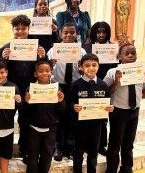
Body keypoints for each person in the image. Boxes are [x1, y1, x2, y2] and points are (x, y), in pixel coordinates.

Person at [0, 14, 46, 163]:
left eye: (23, 28)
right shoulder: (6, 47)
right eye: (17, 29)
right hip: (10, 90)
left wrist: (42, 57)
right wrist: (2, 58)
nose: (20, 32)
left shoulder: (36, 47)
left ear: (28, 29)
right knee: (5, 120)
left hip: (29, 91)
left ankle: (25, 150)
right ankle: (3, 152)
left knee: (26, 122)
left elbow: (44, 69)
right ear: (13, 29)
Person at [47, 22, 87, 161]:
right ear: (60, 34)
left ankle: (70, 147)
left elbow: (86, 70)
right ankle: (57, 146)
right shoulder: (53, 51)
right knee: (59, 117)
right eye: (65, 33)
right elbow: (47, 71)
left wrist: (82, 70)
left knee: (72, 117)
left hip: (75, 86)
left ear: (76, 34)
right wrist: (50, 65)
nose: (69, 35)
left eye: (72, 32)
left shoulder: (81, 52)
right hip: (59, 86)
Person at [103, 44, 145, 173]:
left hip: (134, 110)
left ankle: (127, 168)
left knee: (129, 143)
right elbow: (105, 92)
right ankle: (111, 169)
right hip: (119, 112)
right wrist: (116, 81)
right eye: (127, 53)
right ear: (119, 57)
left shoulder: (141, 71)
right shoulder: (112, 72)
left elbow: (142, 91)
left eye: (133, 53)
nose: (131, 55)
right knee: (115, 144)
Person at [70, 53, 114, 173]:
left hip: (97, 126)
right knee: (78, 153)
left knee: (93, 153)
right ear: (81, 67)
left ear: (98, 66)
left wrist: (109, 108)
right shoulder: (75, 85)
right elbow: (70, 104)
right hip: (80, 126)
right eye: (87, 65)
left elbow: (107, 103)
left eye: (94, 65)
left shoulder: (103, 85)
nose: (91, 68)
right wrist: (74, 108)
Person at [23, 60, 64, 173]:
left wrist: (61, 101)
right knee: (32, 157)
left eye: (47, 71)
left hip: (50, 129)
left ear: (51, 72)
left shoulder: (57, 89)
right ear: (35, 74)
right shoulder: (30, 89)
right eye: (40, 71)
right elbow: (25, 112)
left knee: (47, 156)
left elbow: (61, 111)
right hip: (33, 129)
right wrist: (26, 102)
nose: (44, 73)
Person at [83, 21, 118, 156]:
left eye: (104, 32)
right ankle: (86, 144)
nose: (101, 34)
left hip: (106, 86)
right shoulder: (87, 47)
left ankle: (101, 145)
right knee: (88, 114)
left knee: (103, 116)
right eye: (98, 32)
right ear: (94, 33)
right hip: (89, 84)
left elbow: (116, 66)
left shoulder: (114, 48)